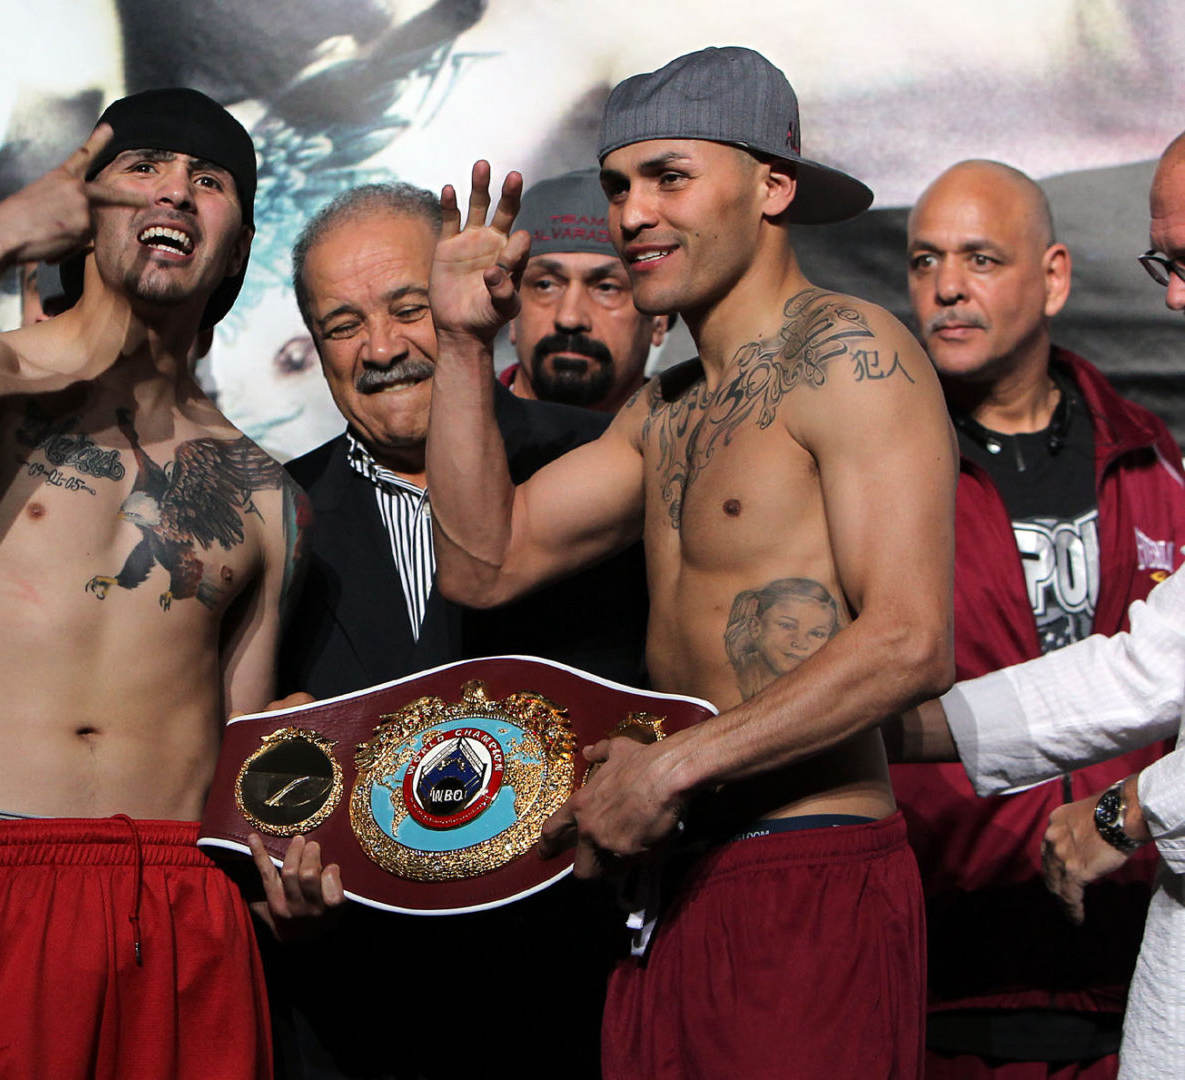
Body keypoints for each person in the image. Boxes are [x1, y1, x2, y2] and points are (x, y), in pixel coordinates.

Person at [423, 47, 956, 1078]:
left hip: (802, 871)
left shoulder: (853, 355)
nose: (632, 214)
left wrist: (672, 767)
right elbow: (484, 563)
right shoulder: (663, 410)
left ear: (772, 186)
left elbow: (910, 641)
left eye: (669, 177)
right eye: (619, 185)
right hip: (668, 883)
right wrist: (456, 346)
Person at [0, 88, 313, 1079]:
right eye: (144, 167)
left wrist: (288, 881)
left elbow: (243, 771)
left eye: (208, 180)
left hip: (178, 906)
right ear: (84, 207)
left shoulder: (267, 496)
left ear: (238, 247)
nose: (175, 190)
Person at [269, 181, 641, 1078]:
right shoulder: (267, 516)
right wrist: (271, 865)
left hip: (584, 1006)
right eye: (343, 326)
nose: (382, 349)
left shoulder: (606, 468)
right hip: (357, 1020)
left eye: (409, 309)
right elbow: (238, 754)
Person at [890, 131, 1185, 1080]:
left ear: (1052, 277)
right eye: (924, 260)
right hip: (953, 966)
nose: (1173, 297)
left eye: (980, 258)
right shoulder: (873, 469)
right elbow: (1143, 668)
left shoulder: (1155, 460)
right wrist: (858, 728)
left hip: (1119, 950)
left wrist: (1131, 812)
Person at [500, 169, 668, 412]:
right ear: (511, 313)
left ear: (659, 320)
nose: (569, 318)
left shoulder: (703, 434)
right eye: (545, 285)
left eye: (606, 287)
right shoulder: (455, 427)